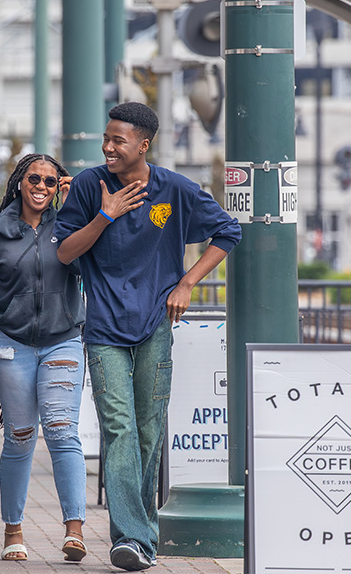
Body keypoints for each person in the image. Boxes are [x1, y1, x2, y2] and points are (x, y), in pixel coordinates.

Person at [54, 102, 242, 571]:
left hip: (156, 326)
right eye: (106, 138)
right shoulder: (86, 186)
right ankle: (135, 538)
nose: (108, 146)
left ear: (144, 144)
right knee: (119, 429)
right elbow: (63, 252)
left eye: (119, 140)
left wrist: (187, 281)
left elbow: (228, 230)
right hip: (103, 330)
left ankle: (137, 540)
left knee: (147, 432)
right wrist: (104, 215)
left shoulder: (173, 189)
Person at [0, 154, 88, 562]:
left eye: (51, 182)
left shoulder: (68, 226)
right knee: (19, 437)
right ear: (19, 182)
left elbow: (88, 267)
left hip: (63, 340)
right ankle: (13, 530)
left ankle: (75, 530)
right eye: (34, 178)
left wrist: (75, 209)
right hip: (9, 345)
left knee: (63, 429)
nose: (42, 186)